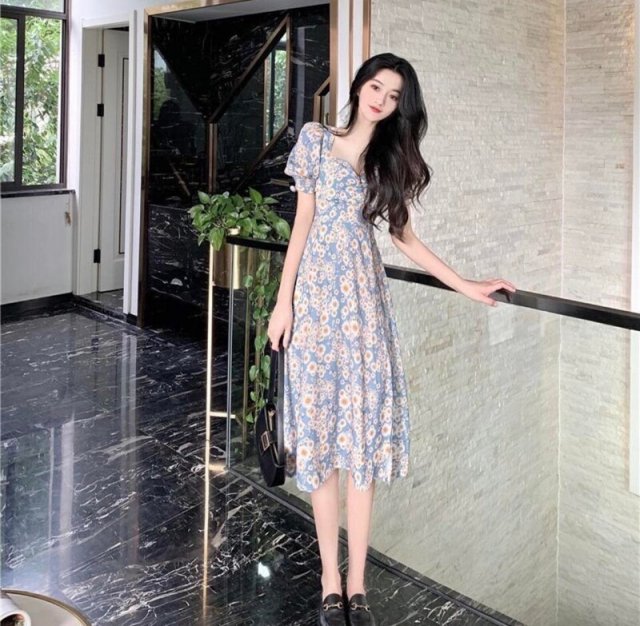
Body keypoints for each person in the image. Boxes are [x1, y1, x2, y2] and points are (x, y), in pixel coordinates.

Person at [267, 53, 516, 626]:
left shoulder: (386, 161)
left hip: (364, 313)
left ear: (401, 106)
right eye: (375, 86)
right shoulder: (316, 140)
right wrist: (284, 301)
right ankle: (330, 580)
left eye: (394, 94)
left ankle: (357, 584)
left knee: (359, 445)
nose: (381, 99)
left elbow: (406, 239)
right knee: (322, 442)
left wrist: (468, 285)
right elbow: (301, 225)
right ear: (359, 86)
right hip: (315, 312)